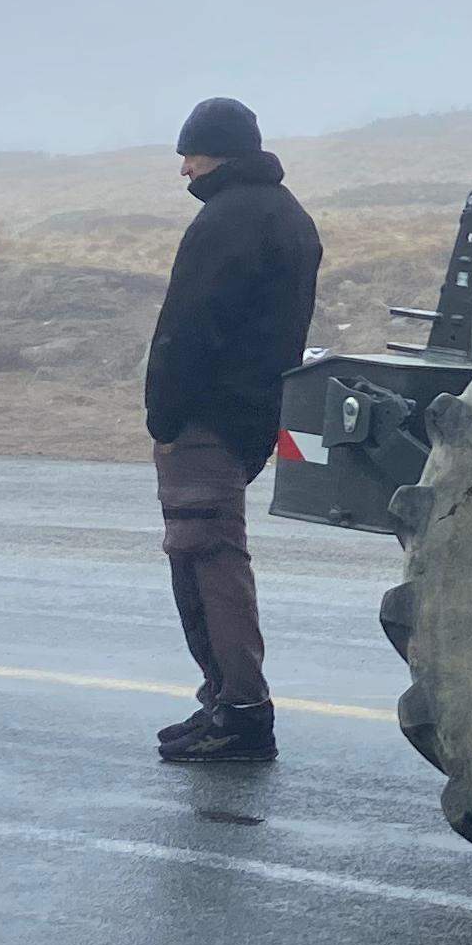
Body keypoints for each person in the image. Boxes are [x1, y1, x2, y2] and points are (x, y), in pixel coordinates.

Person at [141, 96, 320, 764]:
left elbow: (188, 329)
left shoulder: (227, 220)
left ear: (217, 152)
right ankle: (221, 701)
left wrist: (164, 415)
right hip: (252, 414)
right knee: (204, 549)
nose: (184, 168)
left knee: (206, 556)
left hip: (205, 418)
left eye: (189, 154)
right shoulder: (289, 216)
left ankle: (241, 711)